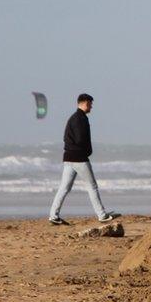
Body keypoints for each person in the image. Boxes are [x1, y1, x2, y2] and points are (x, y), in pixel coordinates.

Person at [48, 93, 119, 225]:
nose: (91, 107)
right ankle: (102, 215)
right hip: (79, 158)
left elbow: (66, 138)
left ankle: (53, 215)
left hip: (68, 158)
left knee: (64, 188)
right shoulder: (81, 118)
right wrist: (87, 151)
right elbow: (81, 139)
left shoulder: (72, 118)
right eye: (91, 104)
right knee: (92, 187)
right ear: (85, 103)